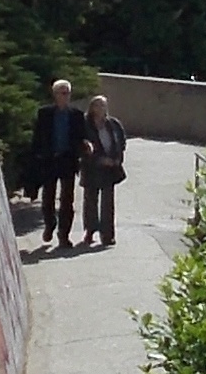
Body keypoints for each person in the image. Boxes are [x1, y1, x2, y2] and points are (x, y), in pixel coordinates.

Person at [24, 77, 86, 253]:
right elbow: (37, 138)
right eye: (62, 93)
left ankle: (64, 235)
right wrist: (35, 158)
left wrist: (85, 146)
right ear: (55, 95)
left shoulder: (76, 115)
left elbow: (80, 137)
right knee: (48, 196)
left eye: (68, 93)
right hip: (49, 160)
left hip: (67, 160)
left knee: (67, 200)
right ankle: (50, 225)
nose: (65, 96)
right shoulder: (45, 113)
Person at [76, 88, 131, 251]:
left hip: (110, 169)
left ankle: (108, 235)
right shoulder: (86, 125)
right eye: (99, 105)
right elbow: (82, 146)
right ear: (92, 108)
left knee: (108, 203)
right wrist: (98, 158)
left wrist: (116, 159)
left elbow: (121, 143)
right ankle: (90, 231)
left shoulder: (113, 124)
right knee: (90, 201)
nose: (102, 109)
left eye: (104, 106)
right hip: (92, 168)